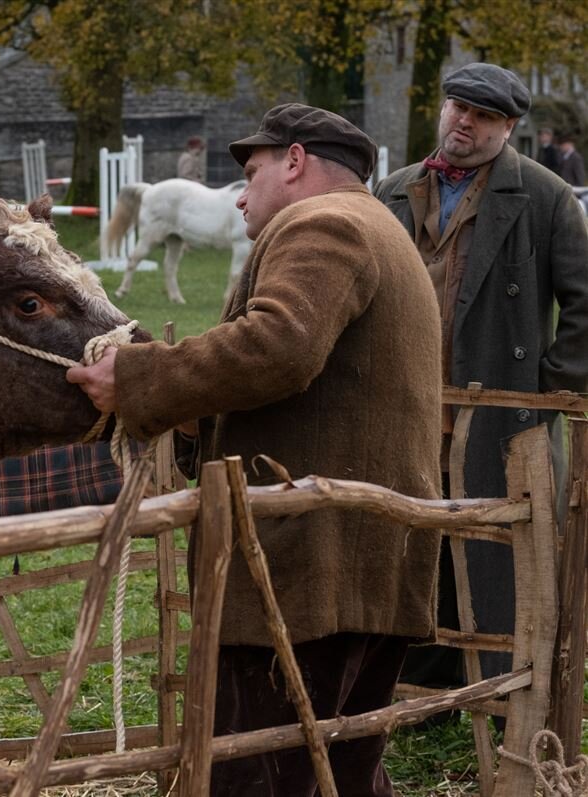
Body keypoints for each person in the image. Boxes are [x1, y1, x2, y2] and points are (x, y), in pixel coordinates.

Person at [68, 103, 442, 795]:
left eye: (252, 171)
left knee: (261, 773)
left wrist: (138, 376)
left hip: (307, 570)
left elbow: (281, 346)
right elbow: (313, 385)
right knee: (338, 768)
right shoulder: (377, 227)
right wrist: (190, 418)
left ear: (295, 162)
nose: (240, 194)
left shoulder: (324, 222)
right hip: (357, 559)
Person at [374, 63, 588, 689]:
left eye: (484, 115)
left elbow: (584, 303)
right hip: (405, 404)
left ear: (509, 126)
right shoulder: (393, 190)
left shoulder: (546, 197)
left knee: (494, 549)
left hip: (498, 409)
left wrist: (545, 395)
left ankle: (495, 678)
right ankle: (412, 677)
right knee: (413, 540)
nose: (464, 121)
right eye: (457, 107)